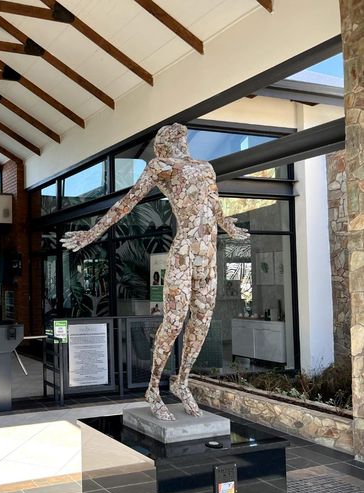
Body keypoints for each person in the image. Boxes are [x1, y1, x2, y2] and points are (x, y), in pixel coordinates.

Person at [62, 123, 249, 421]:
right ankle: (152, 388)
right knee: (174, 321)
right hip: (184, 253)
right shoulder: (160, 166)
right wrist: (91, 234)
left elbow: (214, 207)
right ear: (163, 143)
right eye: (171, 134)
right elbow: (126, 204)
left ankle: (182, 381)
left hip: (208, 255)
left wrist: (228, 226)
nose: (179, 135)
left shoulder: (206, 167)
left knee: (202, 322)